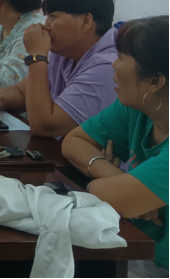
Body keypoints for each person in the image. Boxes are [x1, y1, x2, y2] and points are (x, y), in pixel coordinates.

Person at [62, 16, 169, 274]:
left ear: (154, 81)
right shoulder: (138, 107)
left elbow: (101, 192)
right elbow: (73, 142)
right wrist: (114, 175)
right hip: (132, 247)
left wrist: (109, 186)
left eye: (121, 57)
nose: (113, 63)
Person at [0, 0, 119, 138]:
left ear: (86, 21)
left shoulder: (108, 68)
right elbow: (21, 92)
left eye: (53, 17)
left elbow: (45, 126)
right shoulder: (64, 52)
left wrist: (36, 56)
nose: (46, 26)